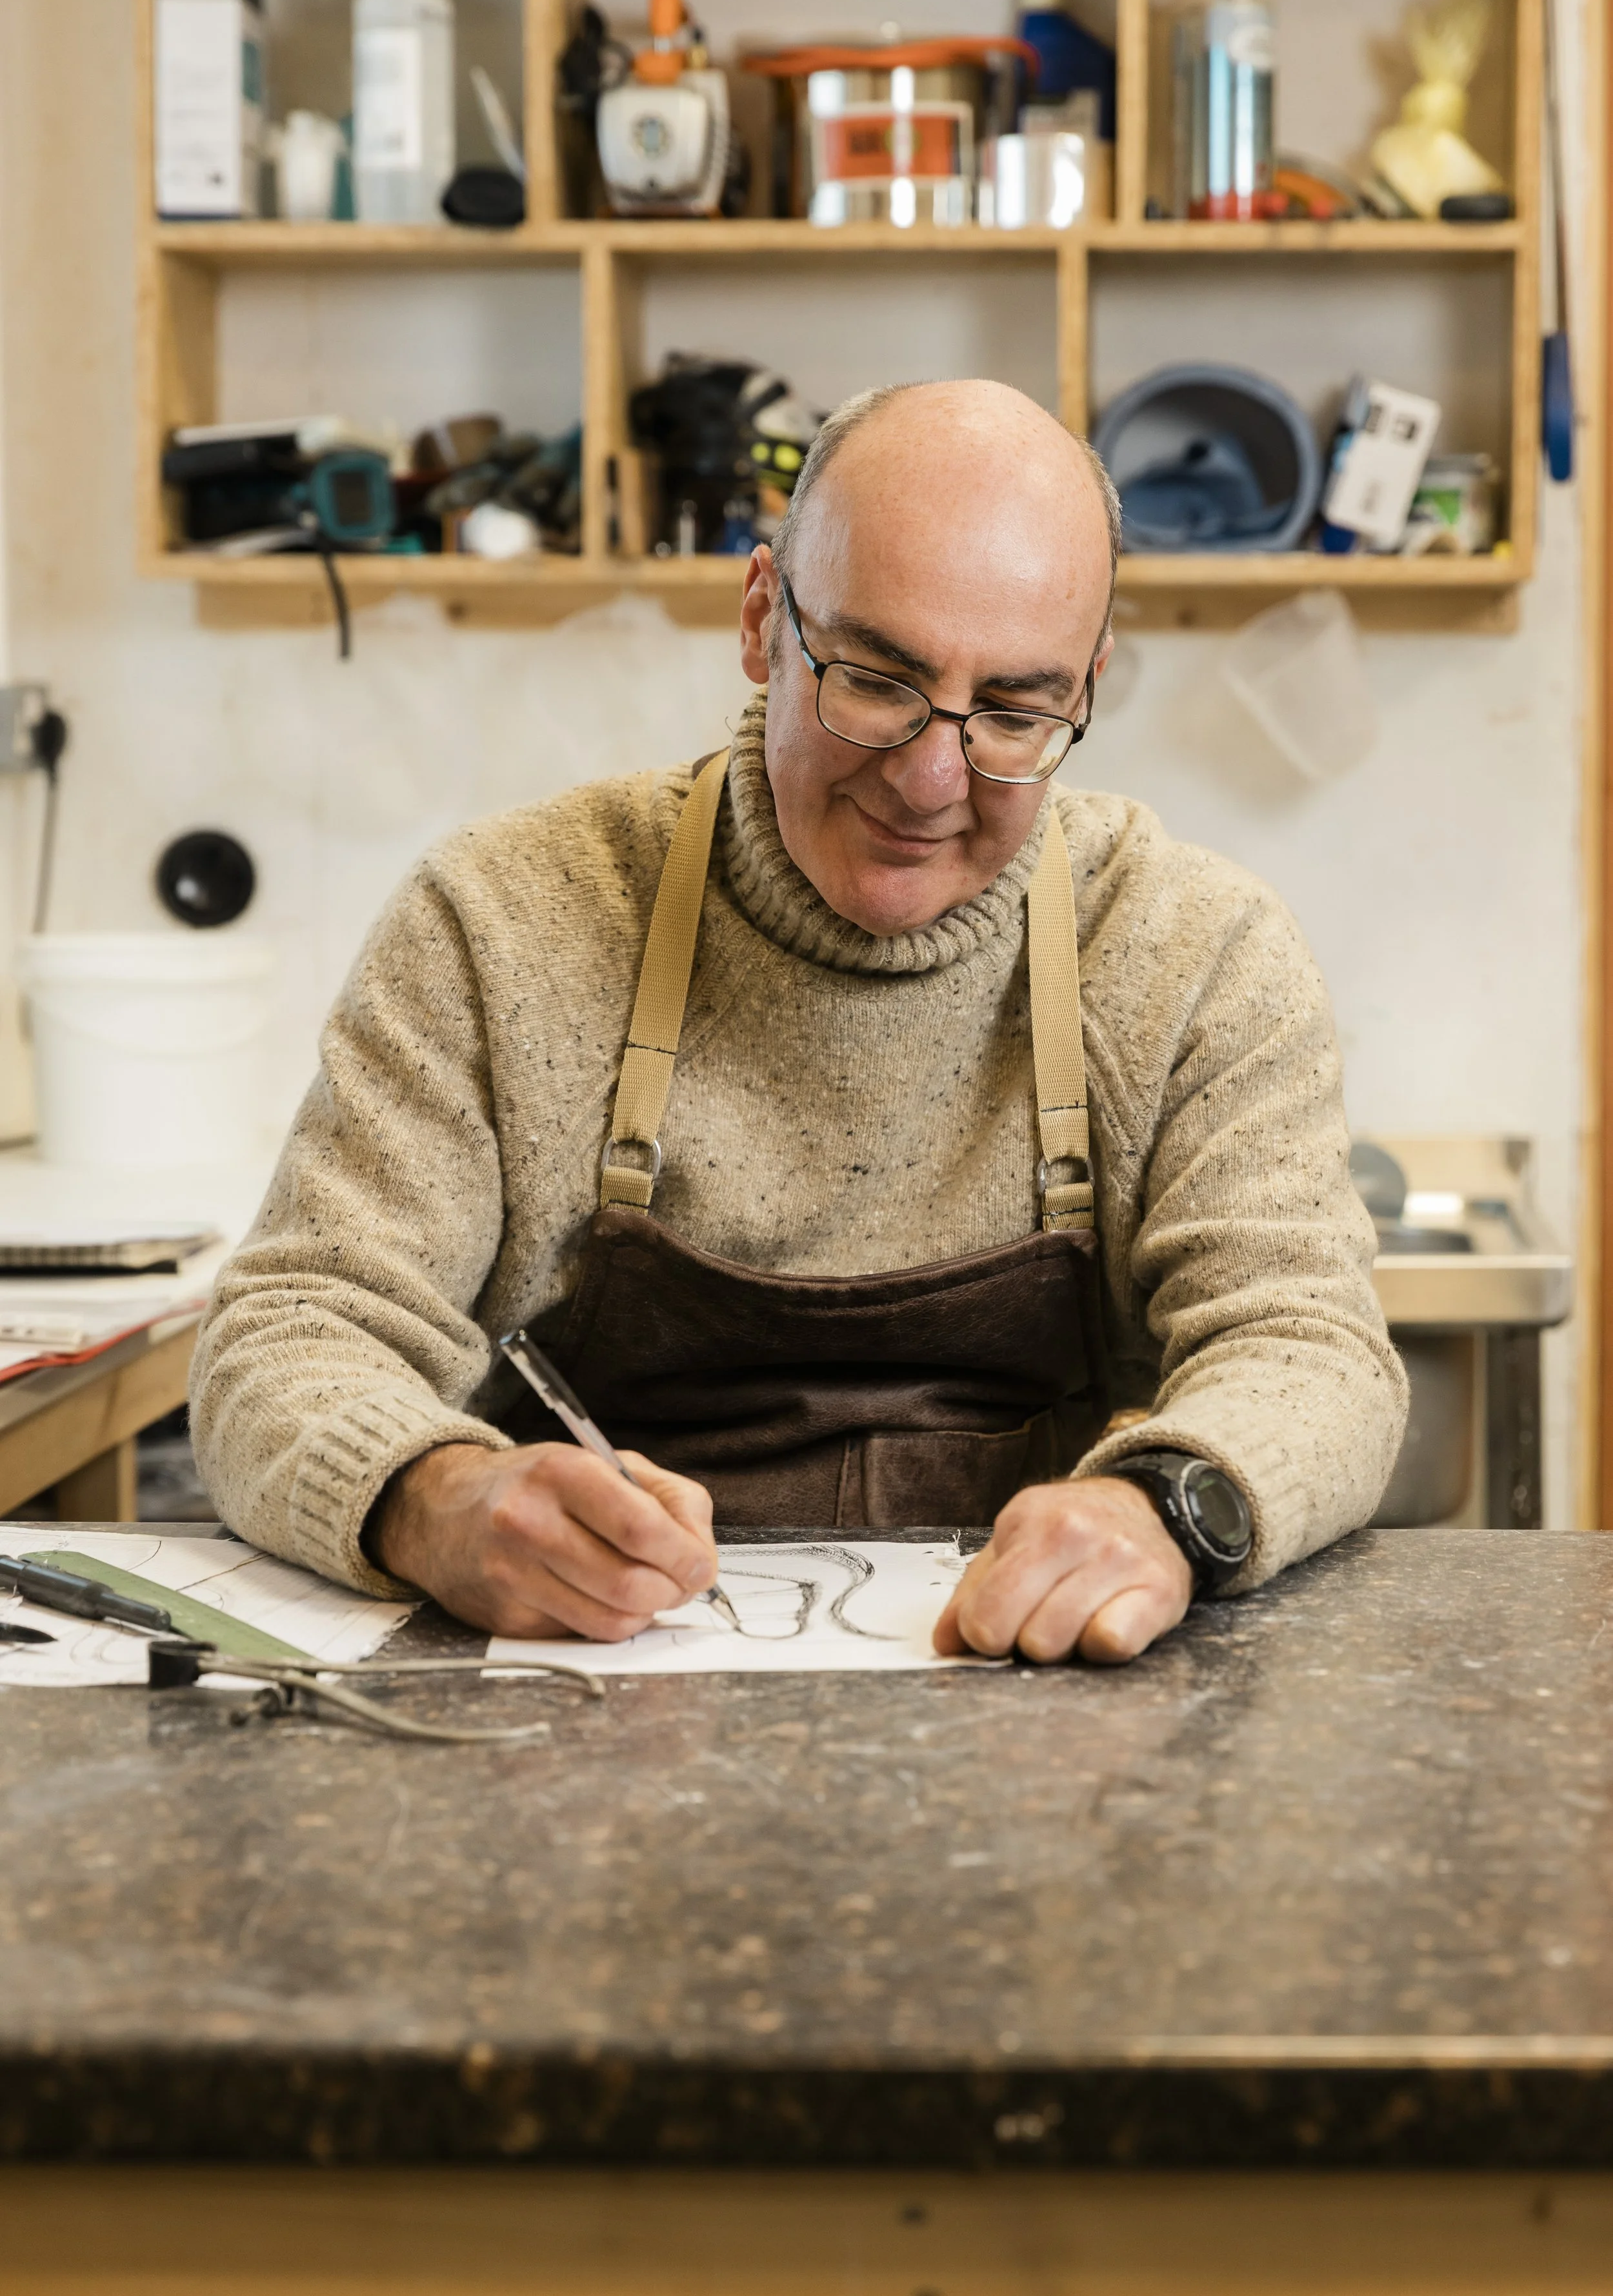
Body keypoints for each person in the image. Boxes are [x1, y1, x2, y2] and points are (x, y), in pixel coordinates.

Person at [191, 378, 1407, 1663]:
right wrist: (432, 1498)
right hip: (583, 1728)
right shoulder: (500, 922)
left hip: (1040, 1721)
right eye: (877, 681)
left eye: (1012, 713)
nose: (931, 780)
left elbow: (1308, 1346)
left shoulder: (1191, 949)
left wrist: (1167, 1506)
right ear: (764, 618)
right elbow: (290, 1332)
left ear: (1087, 687)